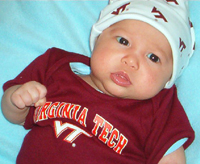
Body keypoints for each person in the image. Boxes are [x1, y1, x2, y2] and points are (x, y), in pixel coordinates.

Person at [1, 0, 195, 163]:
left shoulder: (159, 108)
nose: (131, 60)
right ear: (99, 37)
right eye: (123, 41)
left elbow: (171, 158)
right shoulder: (57, 66)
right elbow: (14, 116)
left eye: (153, 57)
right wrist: (16, 100)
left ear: (168, 80)